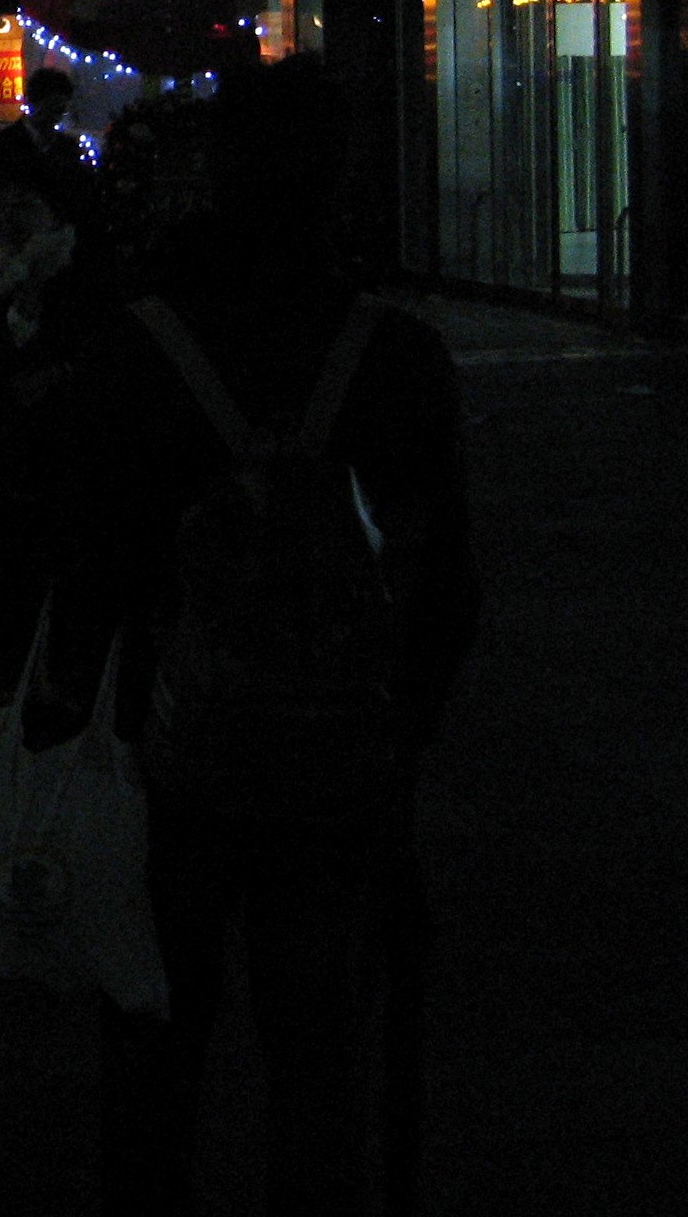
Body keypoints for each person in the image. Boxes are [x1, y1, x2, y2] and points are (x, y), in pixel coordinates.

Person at [35, 62, 479, 1215]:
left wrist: (66, 697)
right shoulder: (396, 356)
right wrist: (398, 729)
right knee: (320, 1057)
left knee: (154, 1033)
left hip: (170, 752)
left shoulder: (142, 347)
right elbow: (450, 586)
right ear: (340, 182)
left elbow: (87, 554)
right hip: (337, 766)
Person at [0, 138, 105, 682]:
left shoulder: (79, 259)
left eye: (26, 203)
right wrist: (3, 373)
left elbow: (96, 341)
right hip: (0, 431)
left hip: (66, 436)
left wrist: (54, 372)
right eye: (2, 202)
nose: (12, 215)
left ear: (52, 208)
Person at [0, 64, 96, 231]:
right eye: (51, 109)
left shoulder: (68, 147)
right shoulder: (2, 144)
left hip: (57, 235)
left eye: (60, 111)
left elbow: (78, 194)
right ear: (33, 103)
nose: (55, 117)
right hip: (16, 235)